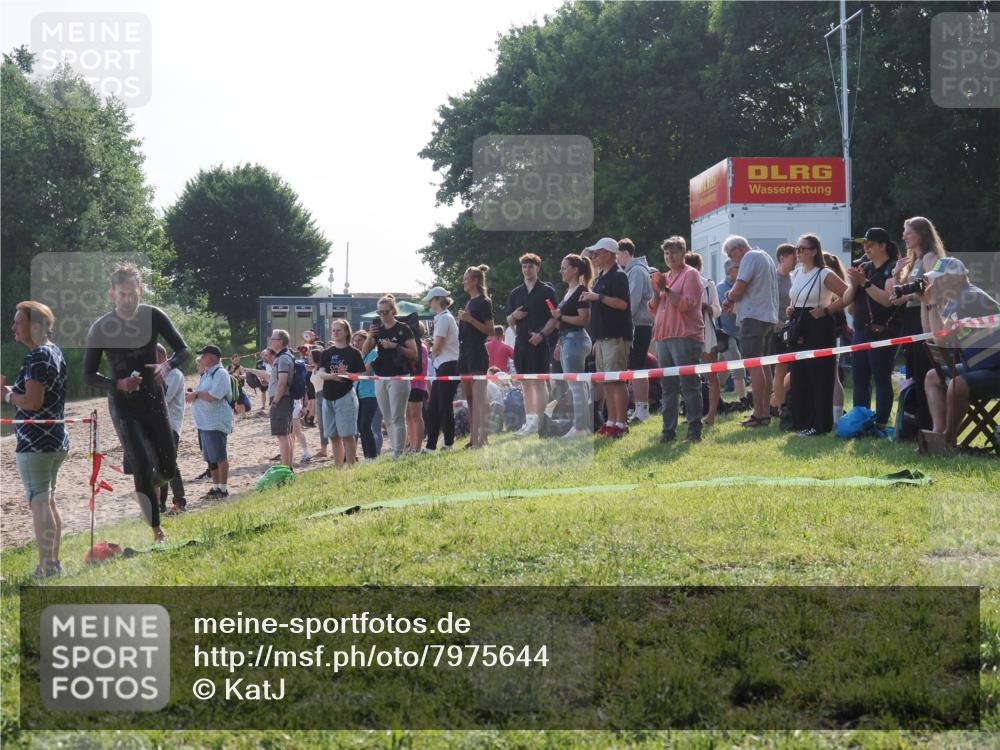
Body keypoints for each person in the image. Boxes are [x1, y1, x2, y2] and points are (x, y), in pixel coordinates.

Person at [83, 263, 188, 544]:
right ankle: (156, 530)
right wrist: (116, 383)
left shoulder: (154, 316)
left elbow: (183, 349)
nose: (128, 300)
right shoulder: (101, 328)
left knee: (167, 469)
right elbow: (88, 375)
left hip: (153, 399)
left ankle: (144, 489)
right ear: (112, 294)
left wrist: (167, 365)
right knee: (141, 463)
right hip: (123, 405)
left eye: (132, 293)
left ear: (141, 290)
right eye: (122, 294)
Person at [3, 301, 68, 578]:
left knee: (40, 502)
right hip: (54, 440)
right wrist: (9, 391)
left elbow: (32, 402)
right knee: (48, 501)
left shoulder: (36, 356)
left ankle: (46, 567)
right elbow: (36, 394)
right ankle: (53, 563)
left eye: (19, 322)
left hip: (36, 443)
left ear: (37, 326)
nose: (13, 327)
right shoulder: (53, 351)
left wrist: (7, 396)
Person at [920, 257, 1000, 452]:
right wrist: (926, 303)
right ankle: (938, 434)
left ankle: (948, 439)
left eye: (939, 278)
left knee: (957, 384)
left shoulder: (969, 298)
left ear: (955, 279)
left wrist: (932, 304)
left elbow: (940, 340)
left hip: (995, 368)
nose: (934, 283)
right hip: (980, 365)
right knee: (932, 377)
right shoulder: (955, 300)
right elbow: (931, 334)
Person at [784, 235, 848, 435]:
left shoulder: (824, 273)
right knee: (799, 374)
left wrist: (827, 310)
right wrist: (791, 308)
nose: (798, 252)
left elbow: (847, 293)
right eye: (797, 248)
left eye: (802, 248)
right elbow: (796, 296)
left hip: (819, 326)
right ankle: (802, 422)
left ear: (814, 251)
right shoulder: (796, 272)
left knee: (819, 375)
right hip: (799, 324)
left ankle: (820, 424)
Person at [893, 216, 948, 432]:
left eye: (909, 232)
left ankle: (929, 424)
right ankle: (916, 422)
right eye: (904, 231)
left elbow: (933, 290)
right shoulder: (913, 260)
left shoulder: (930, 257)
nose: (904, 236)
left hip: (923, 317)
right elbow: (897, 294)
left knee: (925, 368)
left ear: (922, 234)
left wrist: (908, 296)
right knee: (914, 372)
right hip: (910, 318)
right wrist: (896, 275)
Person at [649, 237, 704, 443]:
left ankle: (694, 431)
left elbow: (686, 305)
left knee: (689, 385)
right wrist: (656, 293)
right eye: (666, 253)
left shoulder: (691, 274)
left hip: (685, 337)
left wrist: (666, 290)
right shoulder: (665, 277)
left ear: (683, 253)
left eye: (673, 252)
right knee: (668, 387)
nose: (669, 257)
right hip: (663, 337)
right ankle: (668, 431)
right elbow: (653, 308)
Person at [721, 236, 779, 428]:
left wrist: (728, 297)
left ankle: (759, 414)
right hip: (768, 318)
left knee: (753, 365)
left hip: (753, 319)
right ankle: (765, 412)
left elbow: (738, 289)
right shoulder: (765, 256)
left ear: (738, 249)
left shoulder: (749, 257)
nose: (733, 260)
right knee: (764, 366)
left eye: (731, 255)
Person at [581, 237, 633, 438]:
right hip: (603, 338)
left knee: (616, 381)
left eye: (597, 252)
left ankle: (621, 423)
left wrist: (598, 297)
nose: (594, 256)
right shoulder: (601, 277)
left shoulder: (618, 276)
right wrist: (596, 339)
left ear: (610, 254)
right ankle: (611, 421)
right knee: (606, 381)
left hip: (616, 336)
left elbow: (623, 304)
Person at [506, 253, 559, 436]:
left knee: (538, 381)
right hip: (521, 344)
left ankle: (541, 420)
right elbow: (508, 319)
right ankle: (530, 421)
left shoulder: (547, 291)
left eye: (530, 266)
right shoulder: (516, 293)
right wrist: (514, 316)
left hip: (540, 342)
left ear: (537, 268)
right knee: (525, 383)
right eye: (524, 266)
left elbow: (554, 318)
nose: (527, 269)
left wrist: (542, 334)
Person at [362, 295, 417, 457]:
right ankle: (395, 449)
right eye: (379, 312)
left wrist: (395, 346)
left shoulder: (403, 328)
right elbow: (364, 351)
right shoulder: (378, 329)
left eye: (385, 312)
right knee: (387, 418)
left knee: (397, 416)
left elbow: (414, 353)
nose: (382, 315)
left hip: (399, 375)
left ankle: (398, 452)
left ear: (393, 311)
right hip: (381, 376)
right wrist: (370, 336)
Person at [550, 253, 593, 437]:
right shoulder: (569, 291)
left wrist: (561, 316)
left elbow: (583, 319)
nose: (562, 271)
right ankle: (582, 426)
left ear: (575, 270)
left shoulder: (581, 290)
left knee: (576, 386)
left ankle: (580, 427)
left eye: (565, 267)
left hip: (576, 339)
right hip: (568, 340)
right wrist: (559, 343)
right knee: (577, 385)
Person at [186, 345, 233, 498]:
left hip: (215, 422)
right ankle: (216, 487)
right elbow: (204, 393)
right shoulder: (207, 373)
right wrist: (195, 394)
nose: (201, 358)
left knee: (220, 457)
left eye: (204, 355)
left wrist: (196, 395)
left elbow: (214, 395)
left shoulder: (220, 373)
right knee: (211, 459)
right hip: (204, 423)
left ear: (213, 357)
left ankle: (223, 489)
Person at [317, 319, 365, 467]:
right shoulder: (326, 352)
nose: (335, 333)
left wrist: (347, 374)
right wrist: (331, 376)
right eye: (333, 330)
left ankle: (350, 466)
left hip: (345, 395)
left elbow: (360, 375)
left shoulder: (354, 353)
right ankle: (338, 468)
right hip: (327, 396)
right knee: (333, 436)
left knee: (347, 435)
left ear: (346, 332)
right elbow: (321, 373)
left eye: (339, 330)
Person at [457, 265, 495, 449]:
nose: (464, 282)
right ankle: (473, 438)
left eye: (467, 279)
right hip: (464, 353)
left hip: (477, 353)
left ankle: (483, 438)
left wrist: (470, 320)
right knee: (470, 399)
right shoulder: (469, 302)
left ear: (476, 281)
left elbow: (490, 330)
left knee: (480, 398)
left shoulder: (484, 302)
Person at [617, 238, 654, 423]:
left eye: (617, 254)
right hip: (636, 325)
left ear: (625, 253)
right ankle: (639, 408)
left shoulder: (637, 271)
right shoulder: (633, 270)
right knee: (635, 367)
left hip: (639, 326)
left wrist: (621, 323)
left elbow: (633, 300)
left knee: (638, 368)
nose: (616, 259)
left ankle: (642, 409)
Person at [685, 252, 722, 426]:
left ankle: (711, 414)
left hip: (706, 332)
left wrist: (706, 307)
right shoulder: (680, 282)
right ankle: (692, 414)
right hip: (686, 332)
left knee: (711, 374)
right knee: (688, 376)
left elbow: (717, 310)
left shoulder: (708, 284)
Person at [423, 287, 460, 452]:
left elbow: (438, 345)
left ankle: (448, 444)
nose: (429, 303)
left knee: (443, 406)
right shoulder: (443, 317)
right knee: (436, 407)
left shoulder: (444, 318)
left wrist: (432, 355)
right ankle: (432, 446)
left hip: (448, 365)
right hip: (445, 365)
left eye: (431, 300)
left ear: (438, 299)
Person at [156, 343, 187, 514]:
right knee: (159, 465)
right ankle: (161, 504)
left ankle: (180, 502)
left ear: (161, 356)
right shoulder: (156, 374)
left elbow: (164, 399)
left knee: (170, 464)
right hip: (158, 425)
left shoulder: (175, 374)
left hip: (171, 425)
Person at [715, 259, 748, 403]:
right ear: (729, 272)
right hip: (726, 335)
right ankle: (743, 400)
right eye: (737, 267)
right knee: (737, 367)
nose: (741, 269)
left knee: (721, 373)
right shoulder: (722, 288)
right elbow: (731, 310)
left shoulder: (741, 285)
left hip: (738, 333)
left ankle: (709, 398)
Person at [771, 243, 797, 416]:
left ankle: (775, 401)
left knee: (793, 370)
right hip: (777, 332)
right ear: (782, 258)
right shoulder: (772, 279)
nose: (796, 261)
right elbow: (766, 304)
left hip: (792, 331)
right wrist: (777, 323)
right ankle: (779, 407)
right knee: (780, 370)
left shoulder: (795, 278)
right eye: (793, 258)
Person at [266, 329, 296, 468]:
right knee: (286, 434)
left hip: (281, 399)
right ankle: (287, 468)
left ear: (281, 341)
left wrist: (275, 402)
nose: (270, 341)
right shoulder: (285, 356)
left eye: (273, 338)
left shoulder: (283, 358)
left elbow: (282, 382)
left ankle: (286, 468)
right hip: (284, 399)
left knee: (282, 436)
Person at [352, 330, 383, 460]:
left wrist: (348, 373)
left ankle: (373, 455)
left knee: (366, 425)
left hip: (370, 394)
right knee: (361, 427)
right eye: (355, 341)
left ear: (368, 341)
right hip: (359, 393)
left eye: (360, 340)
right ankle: (367, 456)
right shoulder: (360, 355)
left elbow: (364, 372)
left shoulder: (373, 353)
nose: (357, 343)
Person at [405, 324, 430, 452]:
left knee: (416, 415)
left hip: (417, 385)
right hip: (407, 384)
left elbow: (421, 363)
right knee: (408, 416)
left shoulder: (422, 347)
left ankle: (418, 446)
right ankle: (411, 444)